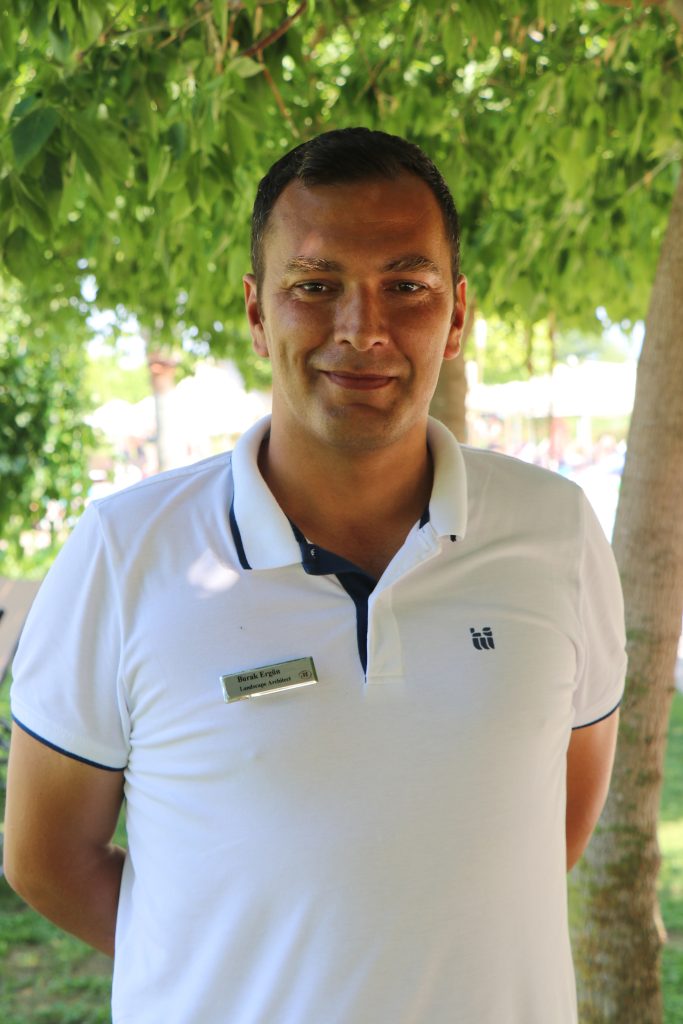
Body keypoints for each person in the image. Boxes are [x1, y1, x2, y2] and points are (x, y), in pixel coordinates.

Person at [4, 128, 626, 1024]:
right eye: (314, 285)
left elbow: (552, 820)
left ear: (457, 316)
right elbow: (46, 858)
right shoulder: (125, 551)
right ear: (257, 314)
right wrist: (224, 959)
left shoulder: (555, 530)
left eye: (405, 286)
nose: (361, 329)